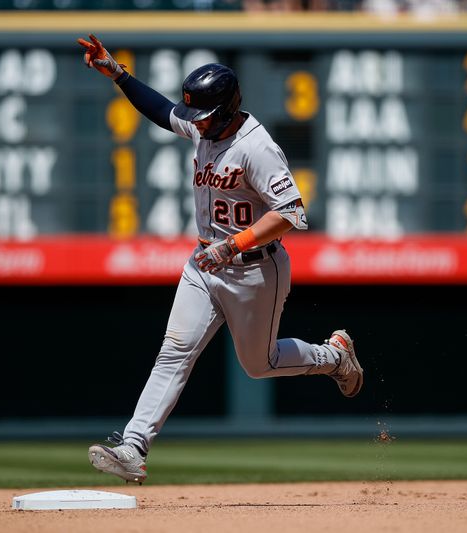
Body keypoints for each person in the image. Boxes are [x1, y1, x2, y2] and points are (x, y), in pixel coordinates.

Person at [78, 34, 364, 484]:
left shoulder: (257, 147)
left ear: (228, 109)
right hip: (203, 264)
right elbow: (161, 111)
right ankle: (133, 447)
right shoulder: (205, 125)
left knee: (259, 365)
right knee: (172, 354)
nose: (196, 123)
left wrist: (233, 245)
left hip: (255, 270)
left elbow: (291, 213)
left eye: (204, 116)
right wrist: (118, 73)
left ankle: (333, 356)